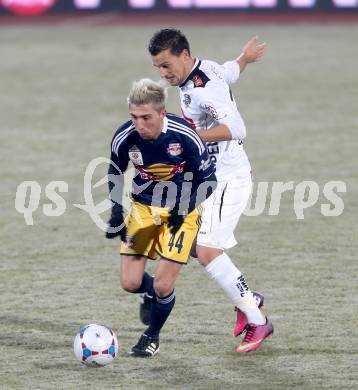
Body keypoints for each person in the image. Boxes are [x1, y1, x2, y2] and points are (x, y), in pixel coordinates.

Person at [147, 29, 273, 353]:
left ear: (184, 55)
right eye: (158, 67)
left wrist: (193, 137)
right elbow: (230, 70)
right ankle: (248, 296)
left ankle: (257, 320)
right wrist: (245, 58)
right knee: (189, 241)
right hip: (209, 177)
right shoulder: (207, 69)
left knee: (206, 250)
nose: (163, 74)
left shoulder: (204, 90)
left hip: (228, 179)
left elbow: (238, 128)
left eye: (166, 65)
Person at [105, 78, 217, 357]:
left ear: (161, 114)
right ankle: (150, 293)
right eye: (133, 117)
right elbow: (115, 171)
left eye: (146, 118)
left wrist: (183, 209)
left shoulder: (184, 135)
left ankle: (151, 336)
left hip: (183, 210)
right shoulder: (125, 136)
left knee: (164, 284)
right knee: (130, 283)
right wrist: (116, 210)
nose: (139, 125)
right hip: (143, 210)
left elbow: (209, 180)